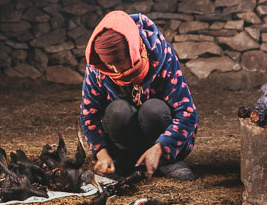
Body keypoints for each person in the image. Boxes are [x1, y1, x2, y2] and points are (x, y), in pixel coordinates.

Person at [80, 10, 198, 181]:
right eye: (109, 64)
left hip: (160, 135)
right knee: (117, 110)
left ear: (133, 49)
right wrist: (102, 154)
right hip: (124, 140)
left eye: (119, 61)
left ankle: (165, 161)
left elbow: (187, 113)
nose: (115, 70)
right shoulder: (97, 68)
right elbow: (89, 115)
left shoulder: (162, 55)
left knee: (153, 109)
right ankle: (127, 159)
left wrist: (161, 147)